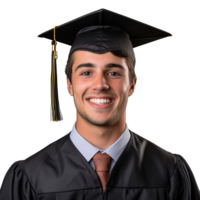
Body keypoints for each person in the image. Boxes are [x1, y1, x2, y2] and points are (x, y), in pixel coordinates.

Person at [0, 8, 199, 200]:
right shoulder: (30, 178)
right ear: (68, 85)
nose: (100, 85)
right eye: (86, 73)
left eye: (113, 73)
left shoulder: (169, 173)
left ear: (132, 85)